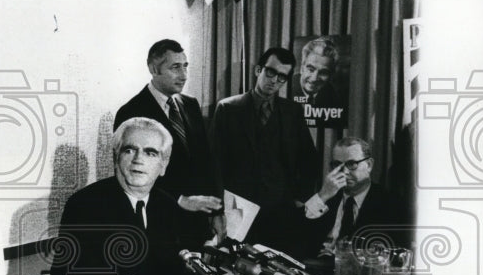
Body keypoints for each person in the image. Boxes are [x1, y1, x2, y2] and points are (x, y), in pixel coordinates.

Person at [27, 117, 202, 275]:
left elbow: (163, 270)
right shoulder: (86, 205)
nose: (138, 160)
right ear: (116, 156)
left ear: (164, 165)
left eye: (151, 153)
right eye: (130, 150)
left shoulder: (165, 205)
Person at [114, 39, 225, 250]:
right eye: (175, 67)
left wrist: (217, 212)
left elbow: (207, 162)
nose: (184, 75)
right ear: (154, 69)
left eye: (185, 66)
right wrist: (179, 199)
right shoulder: (131, 112)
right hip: (158, 222)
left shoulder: (190, 105)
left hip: (196, 223)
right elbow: (131, 174)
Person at [212, 47, 319, 256]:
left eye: (282, 77)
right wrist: (218, 211)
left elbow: (309, 160)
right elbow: (215, 163)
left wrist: (300, 198)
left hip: (281, 213)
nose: (274, 81)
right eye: (270, 72)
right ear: (258, 70)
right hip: (238, 212)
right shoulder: (228, 109)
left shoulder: (292, 112)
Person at [303, 136, 407, 256]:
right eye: (337, 165)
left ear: (369, 165)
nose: (344, 172)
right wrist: (322, 195)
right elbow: (294, 234)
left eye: (351, 164)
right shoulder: (327, 197)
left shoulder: (391, 204)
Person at [290, 37, 346, 127]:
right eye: (311, 69)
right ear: (301, 68)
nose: (314, 78)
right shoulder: (285, 89)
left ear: (331, 75)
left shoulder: (334, 98)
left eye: (323, 72)